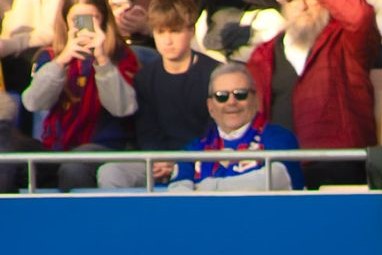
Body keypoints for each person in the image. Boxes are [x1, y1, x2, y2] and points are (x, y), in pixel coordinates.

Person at [247, 0, 380, 188]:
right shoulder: (263, 56)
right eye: (293, 0)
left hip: (337, 164)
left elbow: (360, 17)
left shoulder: (345, 40)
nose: (302, 6)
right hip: (277, 168)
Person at [21, 0, 139, 189]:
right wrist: (61, 62)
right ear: (65, 22)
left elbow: (122, 108)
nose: (84, 26)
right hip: (57, 145)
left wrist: (102, 61)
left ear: (103, 22)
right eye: (77, 19)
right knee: (15, 158)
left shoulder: (121, 56)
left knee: (73, 167)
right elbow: (33, 103)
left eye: (92, 19)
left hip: (104, 145)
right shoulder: (51, 56)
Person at [98, 0, 216, 187]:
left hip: (204, 159)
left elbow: (215, 130)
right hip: (156, 161)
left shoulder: (215, 74)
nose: (167, 41)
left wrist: (180, 161)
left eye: (175, 31)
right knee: (111, 172)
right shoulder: (145, 77)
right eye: (161, 32)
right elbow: (147, 130)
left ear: (191, 31)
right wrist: (161, 160)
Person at [167, 60, 303, 188]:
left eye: (240, 94)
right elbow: (178, 192)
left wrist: (206, 188)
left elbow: (274, 180)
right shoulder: (195, 149)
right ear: (210, 107)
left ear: (255, 100)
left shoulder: (280, 139)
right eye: (222, 96)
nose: (231, 102)